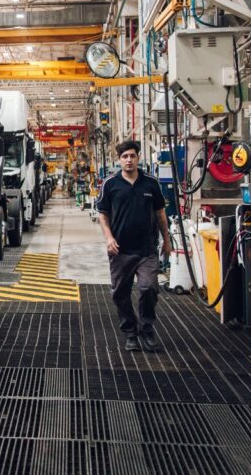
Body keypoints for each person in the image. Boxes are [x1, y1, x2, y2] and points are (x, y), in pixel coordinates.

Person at [95, 140, 171, 352]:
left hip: (147, 249)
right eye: (124, 157)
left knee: (148, 288)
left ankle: (147, 328)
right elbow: (103, 214)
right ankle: (130, 332)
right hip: (120, 250)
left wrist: (166, 240)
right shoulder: (110, 184)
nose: (129, 160)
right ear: (119, 160)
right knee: (120, 293)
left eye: (132, 156)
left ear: (138, 158)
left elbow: (160, 213)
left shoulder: (151, 184)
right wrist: (109, 238)